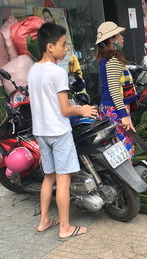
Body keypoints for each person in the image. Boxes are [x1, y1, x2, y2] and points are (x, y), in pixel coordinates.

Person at [27, 22, 97, 240]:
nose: (66, 49)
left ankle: (44, 221)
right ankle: (65, 227)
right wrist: (83, 110)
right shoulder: (57, 72)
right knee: (63, 179)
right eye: (63, 44)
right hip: (58, 131)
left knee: (49, 177)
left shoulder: (33, 70)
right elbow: (65, 109)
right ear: (50, 47)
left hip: (41, 131)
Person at [96, 21, 137, 160]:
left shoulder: (105, 58)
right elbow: (114, 90)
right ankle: (126, 181)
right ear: (112, 39)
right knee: (124, 151)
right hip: (115, 110)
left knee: (115, 149)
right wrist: (124, 116)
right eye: (119, 35)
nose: (122, 38)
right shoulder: (113, 60)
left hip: (110, 109)